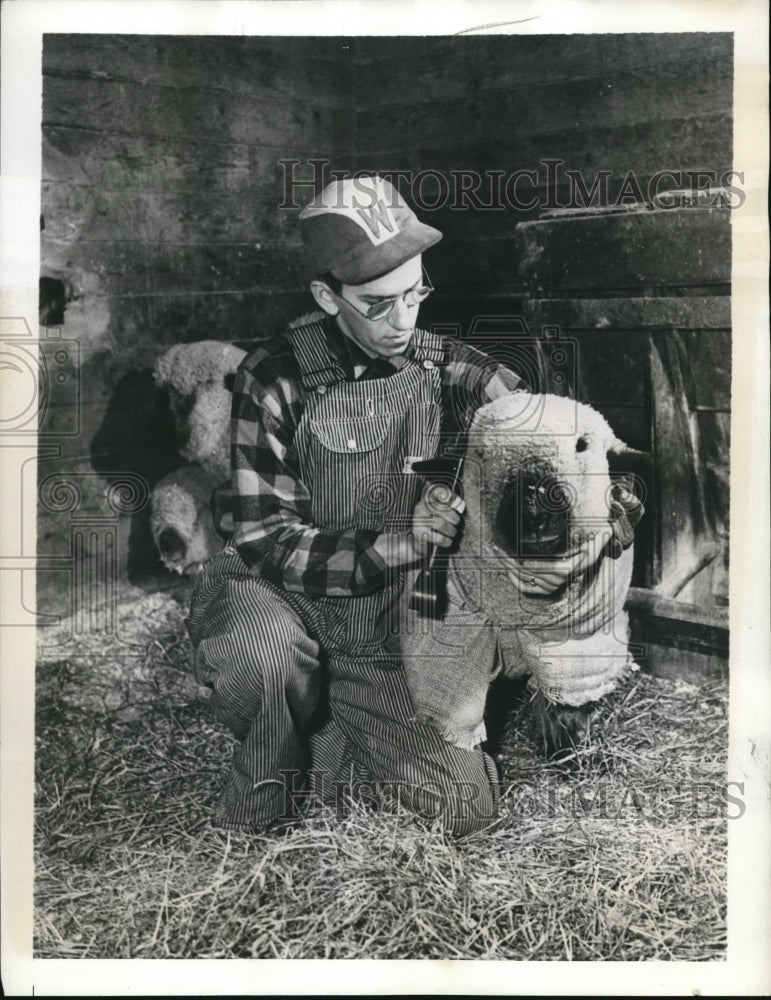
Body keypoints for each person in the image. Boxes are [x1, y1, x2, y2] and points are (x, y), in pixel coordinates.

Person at [185, 176, 619, 836]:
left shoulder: (453, 372)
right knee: (260, 655)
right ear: (326, 296)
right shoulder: (273, 376)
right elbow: (266, 539)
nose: (403, 320)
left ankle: (332, 732)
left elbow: (547, 434)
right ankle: (277, 750)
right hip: (280, 598)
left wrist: (598, 501)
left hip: (389, 627)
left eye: (415, 294)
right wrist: (401, 543)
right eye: (378, 304)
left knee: (462, 811)